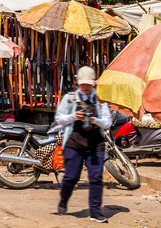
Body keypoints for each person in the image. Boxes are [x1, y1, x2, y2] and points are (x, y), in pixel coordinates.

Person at [55, 66, 112, 223]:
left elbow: (107, 122)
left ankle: (95, 212)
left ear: (93, 83)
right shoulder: (70, 98)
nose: (86, 87)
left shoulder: (100, 99)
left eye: (88, 84)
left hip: (96, 144)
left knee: (96, 178)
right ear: (78, 84)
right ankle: (64, 199)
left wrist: (95, 120)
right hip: (74, 143)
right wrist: (74, 116)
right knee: (71, 177)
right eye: (83, 84)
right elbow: (59, 119)